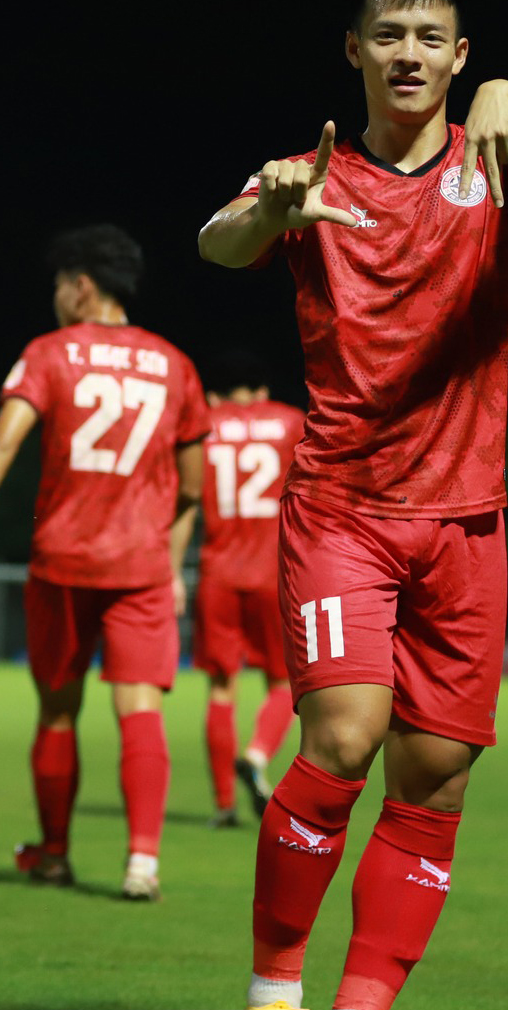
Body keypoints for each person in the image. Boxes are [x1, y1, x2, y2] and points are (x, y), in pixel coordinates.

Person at [197, 0, 508, 1010]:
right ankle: (274, 984)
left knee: (435, 775)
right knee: (341, 733)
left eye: (430, 37)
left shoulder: (500, 155)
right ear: (353, 50)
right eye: (387, 34)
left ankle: (362, 1001)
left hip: (469, 522)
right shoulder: (311, 170)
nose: (408, 54)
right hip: (345, 507)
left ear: (461, 55)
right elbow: (218, 242)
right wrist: (271, 208)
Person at [0, 225, 207, 902]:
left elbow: (1, 441)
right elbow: (193, 485)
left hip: (63, 562)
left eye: (57, 284)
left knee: (56, 712)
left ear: (81, 285)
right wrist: (168, 563)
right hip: (139, 565)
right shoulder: (174, 363)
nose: (54, 296)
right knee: (139, 712)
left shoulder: (49, 353)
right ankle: (142, 862)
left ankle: (53, 854)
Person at [193, 350, 304, 827]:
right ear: (262, 391)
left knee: (221, 689)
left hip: (217, 571)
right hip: (274, 573)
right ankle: (257, 756)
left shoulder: (203, 422)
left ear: (214, 394)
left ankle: (223, 805)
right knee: (283, 682)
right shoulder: (290, 421)